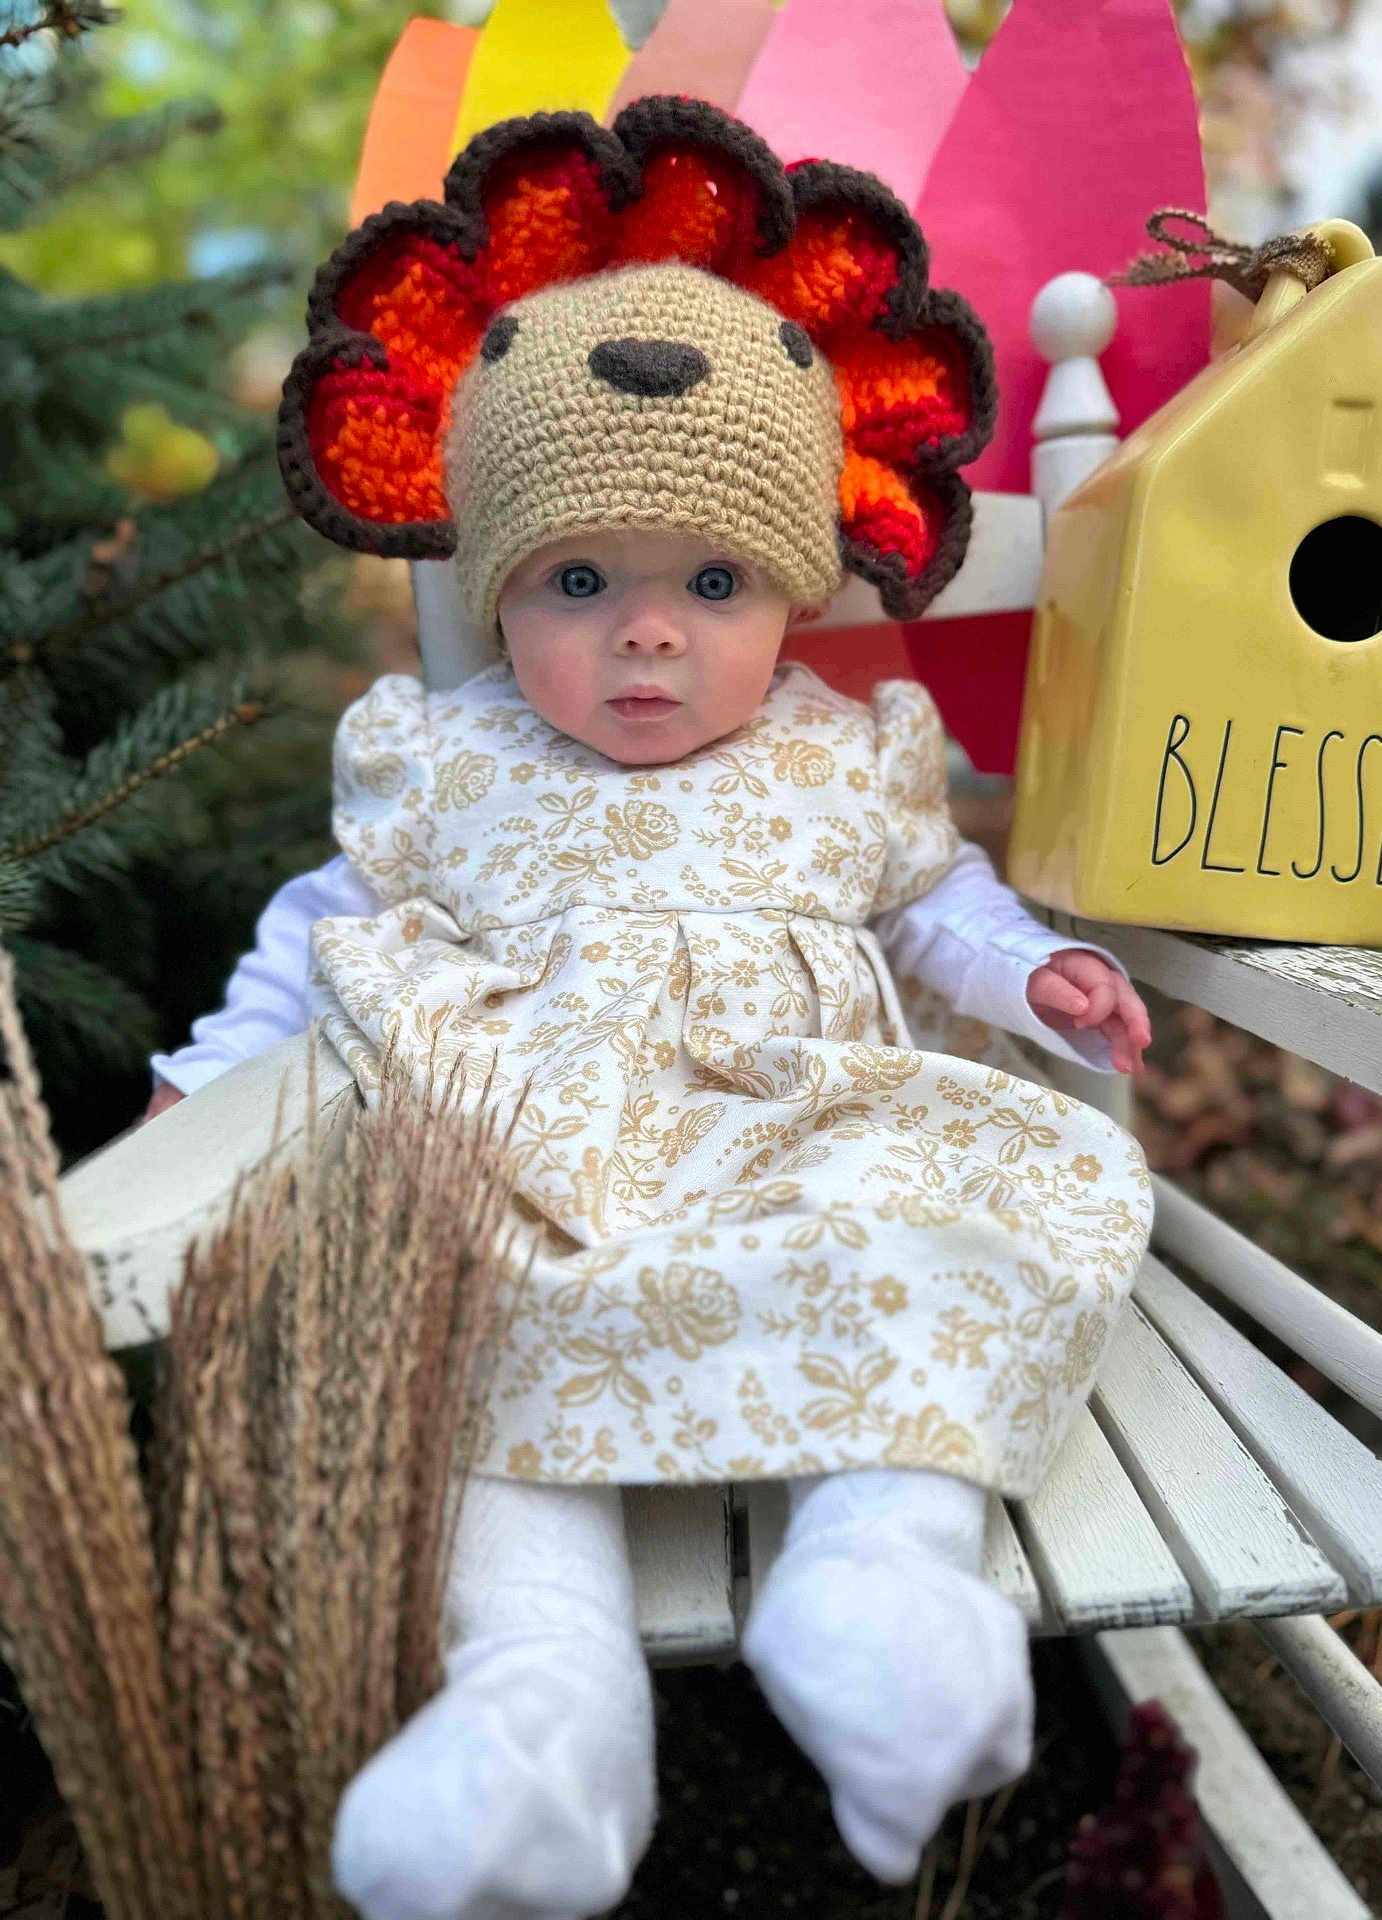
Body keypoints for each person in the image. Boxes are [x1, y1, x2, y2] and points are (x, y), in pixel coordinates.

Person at [146, 98, 1153, 1920]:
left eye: (711, 583)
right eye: (575, 584)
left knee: (948, 1206)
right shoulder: (443, 766)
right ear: (496, 583)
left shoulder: (840, 763)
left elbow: (936, 897)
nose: (646, 637)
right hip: (516, 1139)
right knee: (436, 1318)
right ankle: (544, 1705)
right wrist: (204, 1075)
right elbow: (316, 937)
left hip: (797, 1126)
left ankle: (876, 1579)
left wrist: (1028, 972)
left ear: (791, 587)